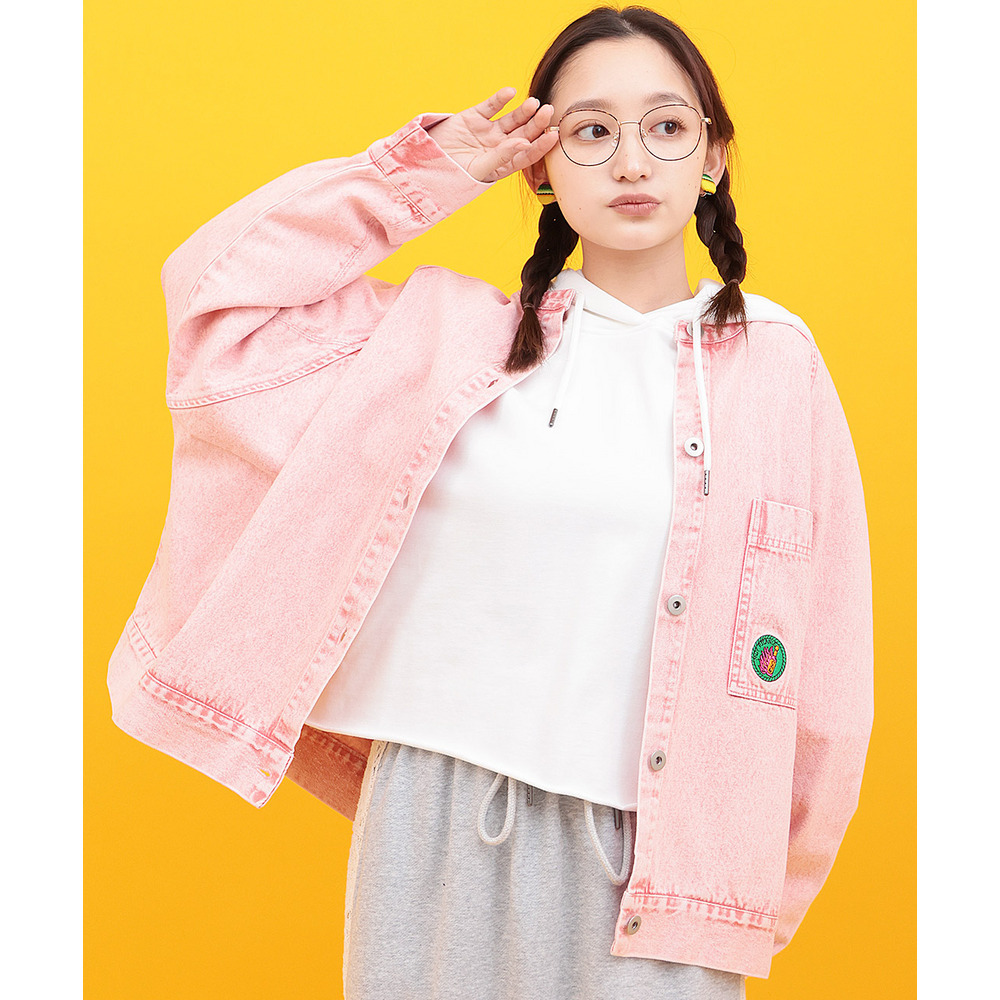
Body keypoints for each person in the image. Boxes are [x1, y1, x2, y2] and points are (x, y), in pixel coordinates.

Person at [106, 5, 874, 998]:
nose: (631, 161)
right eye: (590, 130)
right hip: (435, 817)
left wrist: (752, 891)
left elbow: (822, 658)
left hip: (662, 857)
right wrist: (425, 172)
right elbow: (220, 306)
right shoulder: (445, 344)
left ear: (712, 156)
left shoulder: (776, 367)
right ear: (540, 165)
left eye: (666, 127)